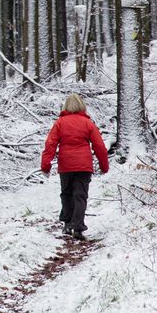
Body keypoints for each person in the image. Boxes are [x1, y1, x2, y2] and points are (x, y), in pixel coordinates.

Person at [40, 93, 109, 240]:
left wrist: (45, 165)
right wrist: (104, 166)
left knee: (66, 193)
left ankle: (67, 224)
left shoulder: (60, 123)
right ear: (81, 106)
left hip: (66, 165)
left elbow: (50, 144)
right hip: (84, 165)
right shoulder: (88, 123)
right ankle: (77, 227)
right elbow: (99, 146)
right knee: (80, 195)